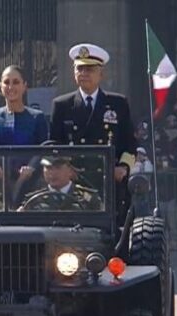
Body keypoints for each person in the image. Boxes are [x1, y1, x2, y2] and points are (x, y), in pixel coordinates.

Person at [49, 43, 136, 221]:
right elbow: (53, 145)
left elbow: (130, 144)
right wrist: (65, 169)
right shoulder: (62, 105)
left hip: (109, 183)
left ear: (101, 74)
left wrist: (123, 168)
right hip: (74, 184)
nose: (83, 74)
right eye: (79, 69)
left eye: (89, 69)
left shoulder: (118, 104)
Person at [0, 65, 49, 201]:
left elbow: (43, 148)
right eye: (6, 82)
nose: (11, 87)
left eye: (16, 82)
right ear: (0, 86)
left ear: (25, 86)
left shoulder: (37, 117)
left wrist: (31, 167)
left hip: (31, 185)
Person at [18, 155, 101, 211]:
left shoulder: (88, 199)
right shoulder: (33, 200)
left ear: (70, 170)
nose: (53, 173)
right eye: (48, 168)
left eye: (58, 168)